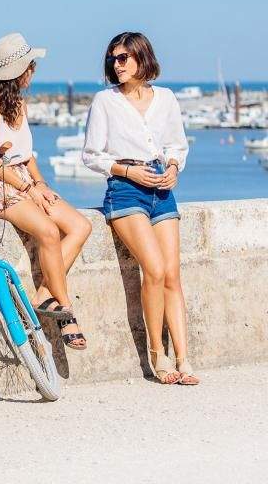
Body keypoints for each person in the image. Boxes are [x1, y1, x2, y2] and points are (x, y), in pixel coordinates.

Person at [82, 31, 199, 384]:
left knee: (172, 275)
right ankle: (156, 354)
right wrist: (128, 170)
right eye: (112, 59)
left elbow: (177, 145)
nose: (116, 65)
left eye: (123, 58)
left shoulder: (165, 98)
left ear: (141, 58)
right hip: (125, 189)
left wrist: (174, 169)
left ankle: (184, 358)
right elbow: (91, 155)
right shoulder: (105, 102)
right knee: (154, 269)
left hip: (161, 186)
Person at [0, 32, 92, 350]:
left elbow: (27, 155)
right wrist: (26, 187)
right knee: (48, 232)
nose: (34, 71)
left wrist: (40, 185)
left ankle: (42, 296)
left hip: (23, 178)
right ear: (21, 70)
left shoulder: (18, 102)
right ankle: (66, 314)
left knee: (80, 226)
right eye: (31, 65)